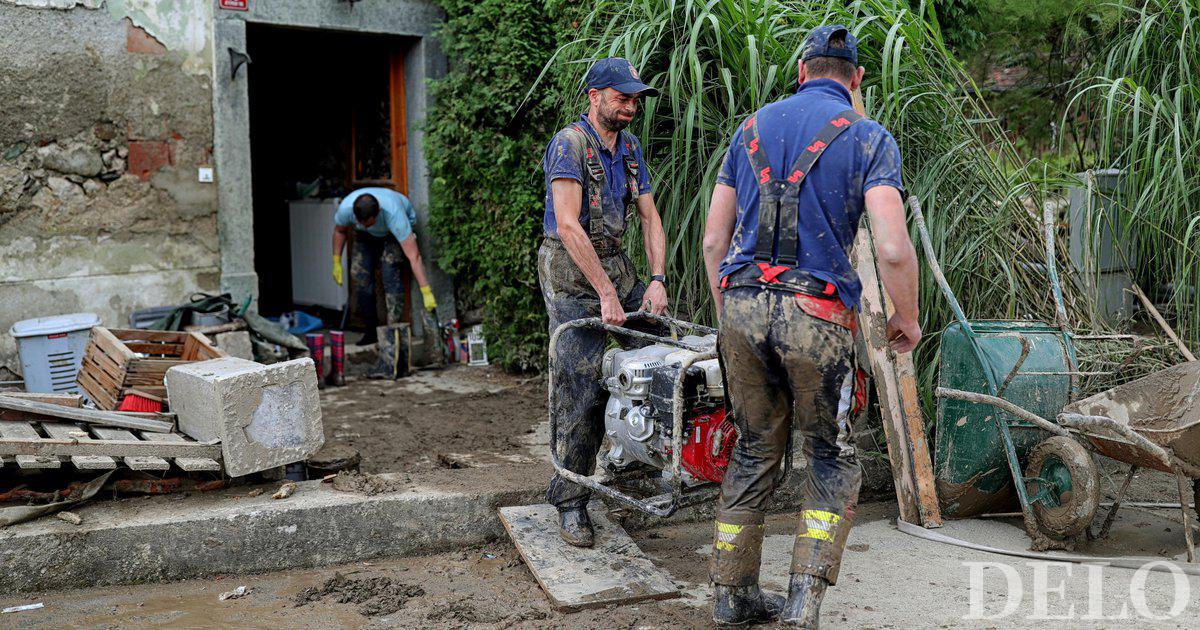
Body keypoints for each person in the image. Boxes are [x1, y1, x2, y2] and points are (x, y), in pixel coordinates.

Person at [701, 26, 921, 627]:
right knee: (829, 455)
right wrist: (906, 319)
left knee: (751, 451)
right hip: (815, 315)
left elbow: (714, 239)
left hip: (742, 306)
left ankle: (730, 597)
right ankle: (802, 605)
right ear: (855, 81)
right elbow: (894, 249)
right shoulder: (870, 136)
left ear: (801, 71)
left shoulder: (748, 129)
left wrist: (732, 313)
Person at [540, 57, 669, 547]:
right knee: (581, 380)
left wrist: (656, 280)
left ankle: (651, 454)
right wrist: (606, 293)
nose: (631, 106)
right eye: (622, 97)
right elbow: (569, 225)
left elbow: (650, 217)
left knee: (669, 348)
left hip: (616, 263)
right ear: (594, 97)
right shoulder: (569, 145)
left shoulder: (631, 148)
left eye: (635, 98)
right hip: (573, 273)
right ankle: (570, 499)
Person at [331, 187, 437, 349]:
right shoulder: (347, 208)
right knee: (359, 276)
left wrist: (426, 291)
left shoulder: (394, 215)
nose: (365, 225)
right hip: (365, 237)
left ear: (378, 212)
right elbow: (339, 231)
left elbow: (414, 257)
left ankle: (393, 332)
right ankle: (370, 330)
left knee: (390, 274)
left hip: (391, 234)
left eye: (368, 223)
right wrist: (336, 260)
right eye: (361, 222)